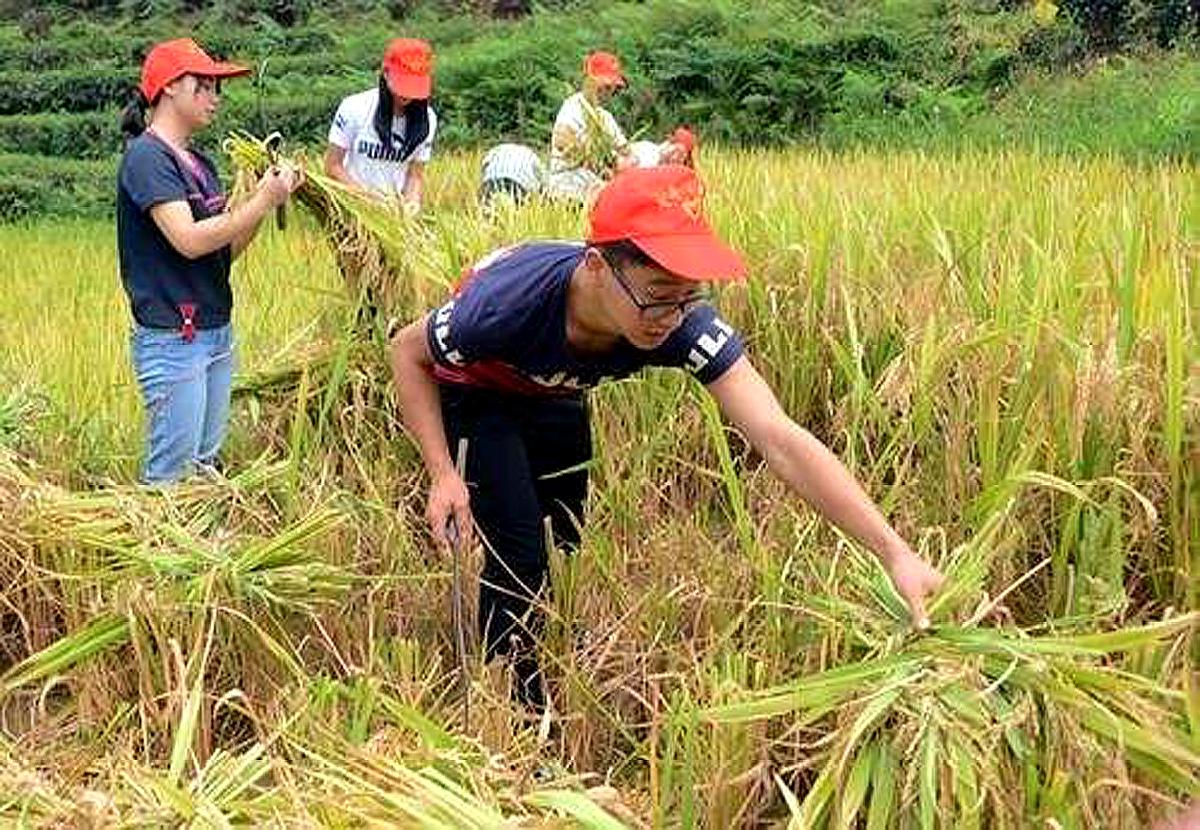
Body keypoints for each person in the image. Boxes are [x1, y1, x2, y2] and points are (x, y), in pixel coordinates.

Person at [388, 165, 946, 710]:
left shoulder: (679, 320)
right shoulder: (504, 305)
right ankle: (518, 704)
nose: (670, 319)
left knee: (565, 539)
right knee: (521, 555)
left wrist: (894, 553)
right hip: (479, 389)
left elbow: (777, 436)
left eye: (688, 297)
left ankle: (545, 638)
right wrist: (442, 473)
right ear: (597, 268)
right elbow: (406, 353)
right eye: (658, 295)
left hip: (556, 389)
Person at [117, 38, 302, 484]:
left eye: (217, 88)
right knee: (171, 477)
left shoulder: (199, 162)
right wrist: (260, 202)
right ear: (170, 88)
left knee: (204, 468)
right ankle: (160, 551)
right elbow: (188, 240)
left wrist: (262, 201)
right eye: (205, 85)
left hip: (215, 328)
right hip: (175, 337)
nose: (215, 98)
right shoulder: (146, 157)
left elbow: (222, 254)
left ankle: (200, 552)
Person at [325, 38, 437, 212]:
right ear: (385, 73)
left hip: (393, 215)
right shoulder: (354, 108)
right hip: (351, 209)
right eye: (403, 84)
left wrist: (411, 204)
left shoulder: (428, 119)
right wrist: (368, 200)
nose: (407, 94)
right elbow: (333, 166)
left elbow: (415, 176)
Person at [545, 50, 634, 201]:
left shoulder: (606, 118)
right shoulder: (573, 106)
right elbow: (562, 140)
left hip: (597, 191)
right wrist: (602, 163)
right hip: (569, 193)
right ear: (589, 80)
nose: (609, 92)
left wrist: (623, 162)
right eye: (605, 86)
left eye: (612, 88)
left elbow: (627, 152)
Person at [478, 142, 546, 209]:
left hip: (493, 179)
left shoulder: (498, 149)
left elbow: (484, 165)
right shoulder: (532, 155)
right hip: (519, 183)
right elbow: (543, 181)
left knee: (486, 206)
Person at [629, 126, 696, 169]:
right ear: (668, 144)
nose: (675, 158)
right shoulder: (645, 149)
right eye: (675, 151)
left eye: (681, 156)